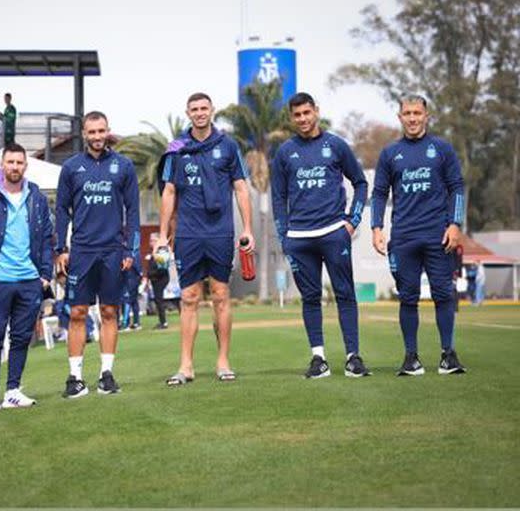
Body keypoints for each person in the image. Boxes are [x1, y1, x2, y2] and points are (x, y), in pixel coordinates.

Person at [155, 92, 254, 385]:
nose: (199, 113)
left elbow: (241, 188)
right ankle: (185, 366)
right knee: (188, 297)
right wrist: (162, 235)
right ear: (187, 113)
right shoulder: (176, 149)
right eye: (194, 109)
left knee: (221, 296)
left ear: (212, 111)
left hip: (220, 232)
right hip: (188, 233)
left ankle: (223, 362)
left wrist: (247, 228)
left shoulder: (228, 146)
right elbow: (169, 191)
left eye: (204, 108)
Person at [270, 92, 371, 379]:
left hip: (333, 233)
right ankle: (319, 359)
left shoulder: (336, 145)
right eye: (297, 115)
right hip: (299, 238)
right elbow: (278, 198)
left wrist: (351, 221)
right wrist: (284, 237)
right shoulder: (284, 152)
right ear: (292, 118)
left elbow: (361, 183)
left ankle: (353, 357)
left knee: (344, 294)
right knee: (310, 298)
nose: (303, 119)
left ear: (316, 111)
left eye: (307, 113)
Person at [371, 94, 466, 375]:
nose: (412, 118)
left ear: (426, 116)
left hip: (438, 236)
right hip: (403, 238)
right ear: (399, 117)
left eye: (417, 113)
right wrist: (376, 228)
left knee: (443, 294)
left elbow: (457, 187)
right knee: (408, 297)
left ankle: (448, 355)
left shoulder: (442, 149)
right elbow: (378, 194)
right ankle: (411, 358)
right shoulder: (390, 153)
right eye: (407, 113)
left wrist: (455, 224)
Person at [55, 111, 140, 398]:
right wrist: (61, 249)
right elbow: (61, 212)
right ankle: (75, 378)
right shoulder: (70, 168)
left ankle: (106, 375)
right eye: (91, 132)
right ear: (84, 134)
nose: (96, 137)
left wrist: (132, 249)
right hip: (81, 251)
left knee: (109, 311)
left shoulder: (124, 166)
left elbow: (134, 212)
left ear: (108, 131)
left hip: (113, 251)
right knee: (77, 312)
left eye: (101, 131)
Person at [0, 143, 53, 412]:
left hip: (29, 280)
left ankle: (13, 391)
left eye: (19, 162)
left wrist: (46, 275)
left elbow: (48, 237)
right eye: (10, 162)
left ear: (25, 166)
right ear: (2, 165)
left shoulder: (36, 198)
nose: (15, 167)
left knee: (20, 337)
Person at [145, 232, 170, 329]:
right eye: (150, 240)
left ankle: (163, 322)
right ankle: (162, 321)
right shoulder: (153, 251)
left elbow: (162, 267)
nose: (150, 242)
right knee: (157, 300)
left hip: (160, 279)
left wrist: (152, 274)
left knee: (159, 300)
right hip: (155, 279)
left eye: (153, 240)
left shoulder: (161, 251)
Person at [119, 259, 142, 331]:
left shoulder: (133, 262)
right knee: (132, 303)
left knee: (127, 303)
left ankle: (126, 324)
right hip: (128, 285)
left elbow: (138, 274)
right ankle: (135, 323)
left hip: (130, 285)